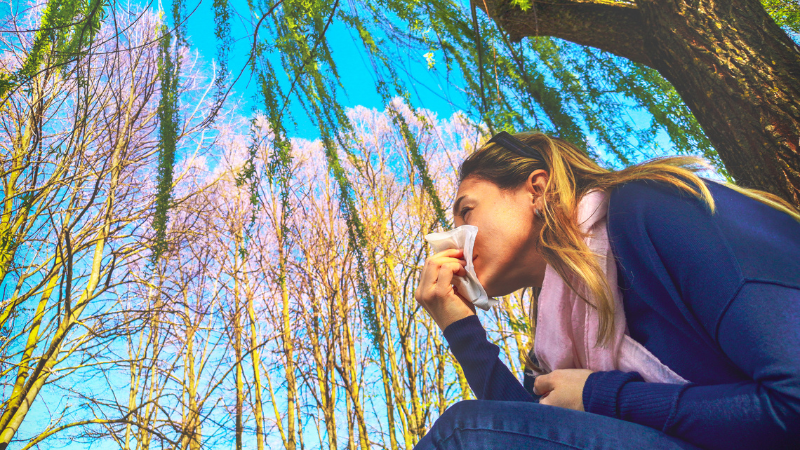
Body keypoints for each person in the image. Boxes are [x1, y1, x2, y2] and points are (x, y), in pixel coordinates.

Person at [413, 132, 800, 450]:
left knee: (459, 435)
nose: (451, 240)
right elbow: (523, 437)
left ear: (538, 190)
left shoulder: (654, 211)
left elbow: (791, 399)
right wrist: (459, 326)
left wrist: (601, 396)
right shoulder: (556, 337)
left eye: (467, 211)